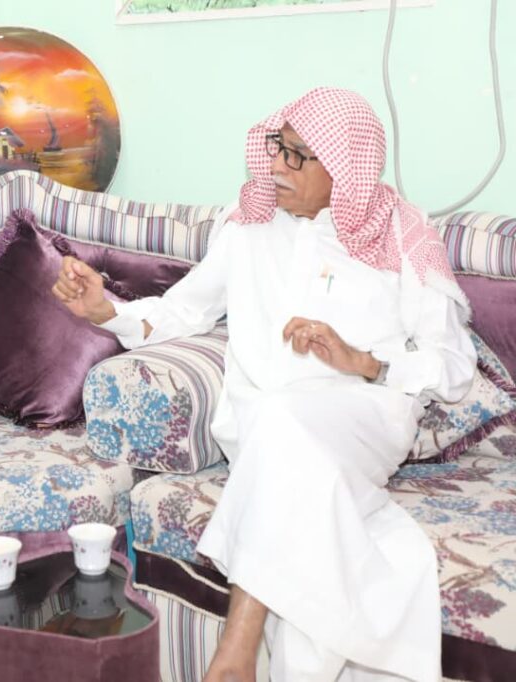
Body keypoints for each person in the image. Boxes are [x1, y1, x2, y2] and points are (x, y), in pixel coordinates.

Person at [53, 87, 476, 681]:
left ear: (344, 167)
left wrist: (363, 360)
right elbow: (183, 312)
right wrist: (106, 311)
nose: (277, 165)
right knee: (286, 446)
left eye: (298, 155)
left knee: (283, 421)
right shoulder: (248, 222)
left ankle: (236, 651)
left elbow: (453, 366)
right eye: (278, 147)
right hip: (258, 430)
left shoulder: (400, 231)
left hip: (365, 417)